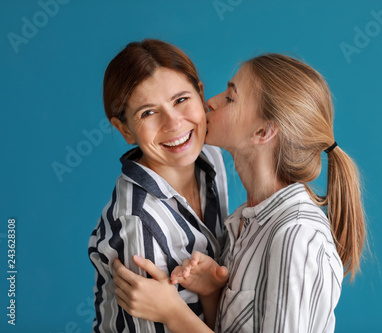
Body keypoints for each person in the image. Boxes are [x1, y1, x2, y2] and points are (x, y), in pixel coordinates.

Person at [113, 53, 366, 332]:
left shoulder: (295, 238)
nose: (211, 100)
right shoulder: (244, 223)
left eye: (230, 98)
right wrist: (211, 294)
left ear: (263, 131)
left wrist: (173, 313)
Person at [88, 39, 229, 332]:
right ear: (124, 129)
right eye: (148, 113)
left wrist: (211, 291)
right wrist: (173, 312)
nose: (174, 123)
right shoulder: (138, 224)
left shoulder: (212, 157)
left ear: (201, 95)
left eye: (181, 100)